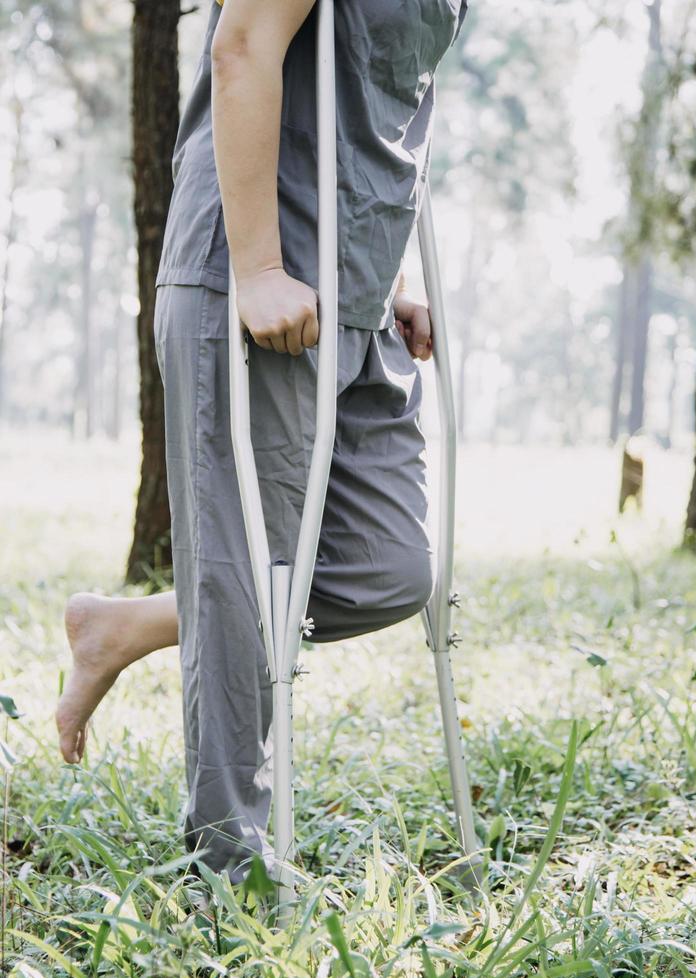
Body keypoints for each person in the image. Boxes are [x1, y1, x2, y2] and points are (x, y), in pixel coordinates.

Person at [54, 0, 469, 883]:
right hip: (255, 279)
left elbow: (370, 108)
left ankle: (129, 626)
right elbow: (242, 47)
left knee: (391, 568)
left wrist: (385, 275)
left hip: (349, 292)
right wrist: (257, 270)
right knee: (247, 579)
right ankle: (231, 872)